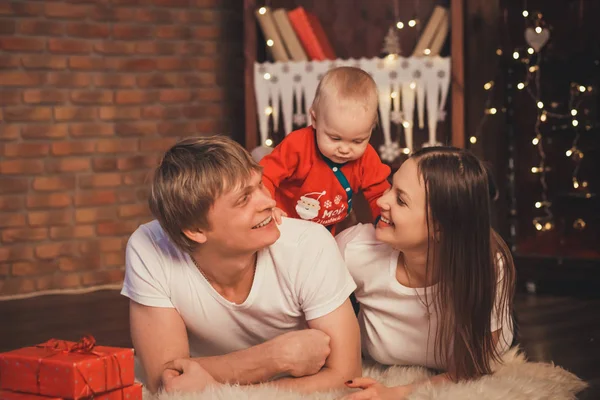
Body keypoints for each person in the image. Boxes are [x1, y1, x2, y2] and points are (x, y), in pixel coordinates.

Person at [121, 136, 361, 393]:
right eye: (244, 199)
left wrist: (223, 386)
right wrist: (272, 358)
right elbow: (165, 380)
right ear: (194, 229)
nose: (269, 202)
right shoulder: (150, 246)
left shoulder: (308, 244)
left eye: (260, 185)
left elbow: (348, 377)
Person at [335, 147, 516, 399]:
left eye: (401, 199)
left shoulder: (489, 267)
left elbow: (473, 366)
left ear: (441, 228)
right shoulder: (354, 249)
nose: (380, 201)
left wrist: (397, 392)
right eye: (390, 187)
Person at [260, 66, 391, 233]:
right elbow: (266, 175)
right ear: (314, 120)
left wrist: (384, 220)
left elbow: (379, 194)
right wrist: (266, 207)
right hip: (284, 223)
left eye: (357, 141)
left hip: (327, 229)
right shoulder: (297, 145)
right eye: (335, 138)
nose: (344, 149)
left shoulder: (367, 158)